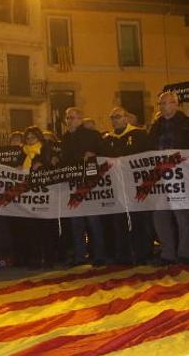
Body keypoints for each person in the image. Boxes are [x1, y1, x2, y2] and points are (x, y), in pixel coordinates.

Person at [148, 91, 189, 265]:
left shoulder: (186, 123)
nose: (163, 107)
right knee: (160, 215)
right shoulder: (156, 125)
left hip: (181, 175)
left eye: (166, 103)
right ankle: (168, 253)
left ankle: (184, 252)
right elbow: (148, 147)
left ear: (175, 104)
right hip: (161, 176)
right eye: (161, 104)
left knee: (182, 215)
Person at [101, 106, 152, 264]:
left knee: (139, 220)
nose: (115, 120)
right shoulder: (107, 139)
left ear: (126, 118)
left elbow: (148, 157)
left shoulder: (139, 135)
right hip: (116, 185)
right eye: (112, 117)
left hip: (136, 184)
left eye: (118, 117)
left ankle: (143, 253)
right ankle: (123, 254)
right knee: (118, 221)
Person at [61, 107, 106, 266]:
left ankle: (99, 255)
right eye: (67, 118)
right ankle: (80, 255)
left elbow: (104, 153)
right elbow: (65, 160)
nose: (69, 121)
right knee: (76, 222)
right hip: (73, 183)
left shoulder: (92, 135)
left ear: (80, 119)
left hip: (90, 183)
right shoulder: (65, 138)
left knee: (93, 221)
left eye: (72, 117)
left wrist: (94, 155)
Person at [18, 126, 58, 268]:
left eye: (32, 137)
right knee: (31, 229)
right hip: (28, 196)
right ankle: (34, 259)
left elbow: (52, 168)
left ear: (39, 138)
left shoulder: (46, 149)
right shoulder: (22, 152)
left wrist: (42, 165)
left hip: (44, 194)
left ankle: (49, 259)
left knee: (45, 228)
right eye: (27, 138)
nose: (29, 140)